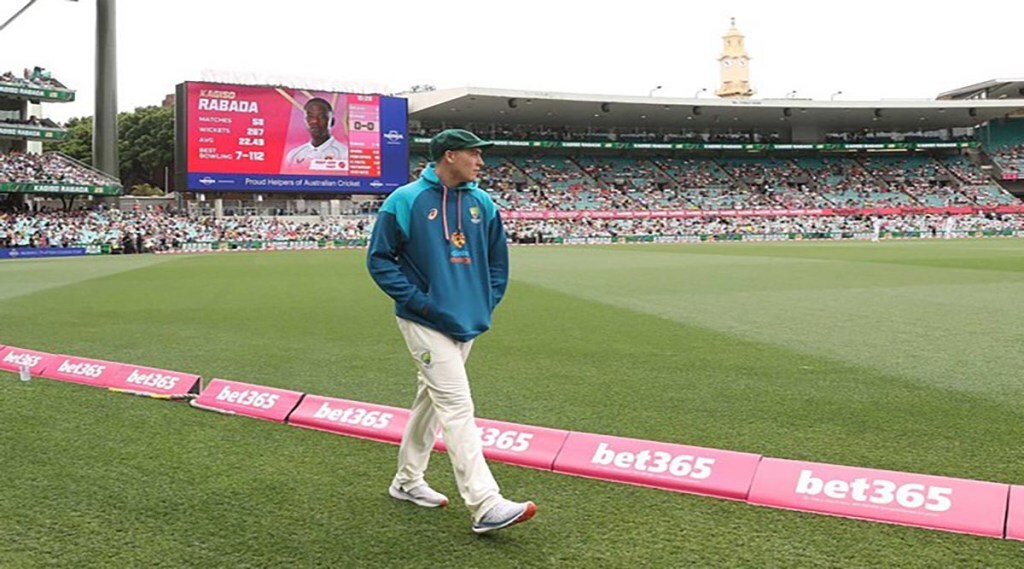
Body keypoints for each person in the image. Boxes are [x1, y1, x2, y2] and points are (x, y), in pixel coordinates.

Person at [366, 128, 536, 534]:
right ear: (448, 156)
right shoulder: (405, 200)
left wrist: (485, 301)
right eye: (474, 154)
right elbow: (380, 260)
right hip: (423, 320)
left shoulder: (483, 203)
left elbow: (498, 262)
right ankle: (485, 503)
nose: (480, 162)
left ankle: (406, 481)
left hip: (467, 320)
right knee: (457, 405)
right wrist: (421, 302)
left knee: (430, 400)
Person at [284, 97, 348, 171]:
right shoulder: (294, 155)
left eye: (321, 117)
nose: (314, 121)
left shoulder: (344, 153)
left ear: (332, 121)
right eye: (310, 117)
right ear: (305, 121)